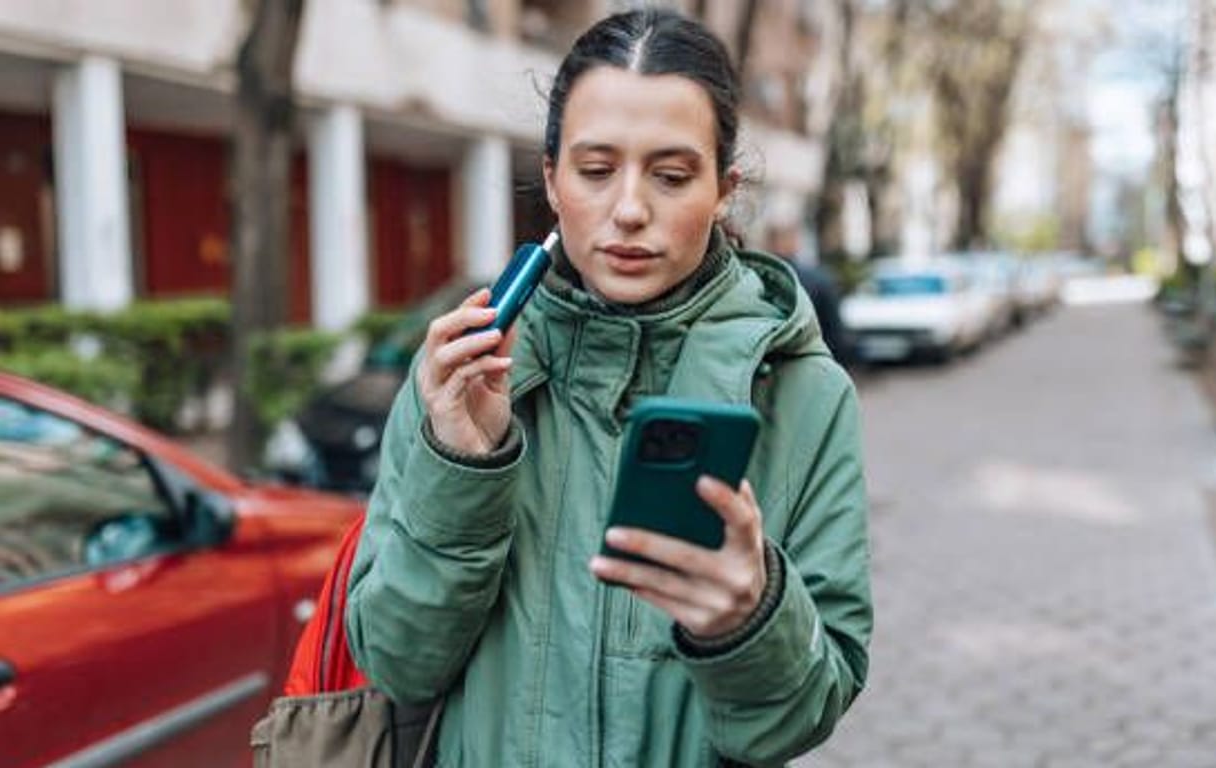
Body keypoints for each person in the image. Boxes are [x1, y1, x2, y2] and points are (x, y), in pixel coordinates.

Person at [345, 9, 872, 766]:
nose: (629, 209)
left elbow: (801, 716)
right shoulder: (463, 374)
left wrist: (749, 619)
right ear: (553, 181)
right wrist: (463, 465)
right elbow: (397, 661)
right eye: (596, 171)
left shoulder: (807, 394)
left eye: (671, 175)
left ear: (724, 189)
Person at [767, 224, 856, 366]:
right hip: (814, 363)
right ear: (795, 243)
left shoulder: (758, 280)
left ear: (770, 243)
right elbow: (836, 334)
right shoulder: (820, 279)